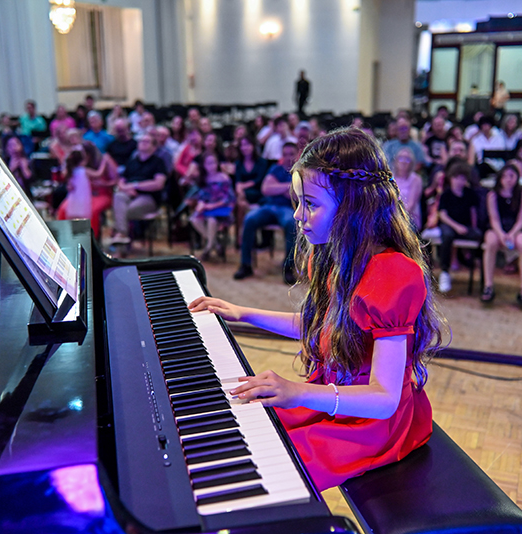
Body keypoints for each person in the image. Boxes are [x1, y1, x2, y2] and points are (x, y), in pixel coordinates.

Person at [188, 127, 445, 491]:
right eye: (298, 202)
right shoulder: (334, 256)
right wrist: (242, 313)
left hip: (370, 423)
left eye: (310, 203)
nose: (297, 215)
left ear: (353, 207)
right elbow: (321, 327)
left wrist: (297, 391)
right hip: (335, 396)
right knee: (241, 428)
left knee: (267, 471)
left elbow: (385, 399)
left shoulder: (393, 275)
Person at [234, 143, 299, 284]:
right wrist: (288, 187)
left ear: (297, 155)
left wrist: (276, 186)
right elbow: (265, 189)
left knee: (292, 224)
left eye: (291, 154)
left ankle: (288, 268)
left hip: (287, 209)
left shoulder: (300, 172)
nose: (288, 157)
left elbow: (296, 195)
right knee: (249, 219)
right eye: (285, 154)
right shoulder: (276, 168)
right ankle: (246, 265)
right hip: (268, 206)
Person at [481, 164, 522, 304]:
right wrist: (501, 234)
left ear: (517, 177)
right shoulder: (492, 195)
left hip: (516, 228)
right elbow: (494, 219)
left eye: (511, 176)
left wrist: (512, 234)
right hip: (497, 229)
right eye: (505, 176)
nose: (508, 179)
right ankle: (488, 286)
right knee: (491, 242)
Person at [109, 133, 168, 245]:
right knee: (118, 196)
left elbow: (158, 184)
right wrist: (126, 189)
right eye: (141, 141)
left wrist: (135, 185)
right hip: (129, 194)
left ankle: (120, 235)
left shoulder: (158, 162)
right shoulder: (132, 162)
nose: (143, 143)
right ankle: (122, 235)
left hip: (149, 197)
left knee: (124, 211)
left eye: (147, 141)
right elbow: (121, 181)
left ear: (154, 147)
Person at [436, 161, 482, 293]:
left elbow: (473, 214)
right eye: (456, 178)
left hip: (465, 227)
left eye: (462, 178)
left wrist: (473, 228)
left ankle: (478, 268)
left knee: (479, 235)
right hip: (450, 225)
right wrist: (456, 227)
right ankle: (445, 271)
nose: (459, 181)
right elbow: (442, 215)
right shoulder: (446, 195)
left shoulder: (470, 194)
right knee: (447, 235)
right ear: (451, 178)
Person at [190, 153, 235, 261]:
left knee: (212, 221)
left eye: (213, 162)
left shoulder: (224, 178)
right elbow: (201, 196)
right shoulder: (203, 179)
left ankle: (208, 249)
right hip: (207, 208)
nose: (211, 166)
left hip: (221, 208)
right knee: (194, 219)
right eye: (208, 163)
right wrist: (201, 204)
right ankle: (215, 244)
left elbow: (228, 198)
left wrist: (212, 205)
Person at [391, 148, 423, 230]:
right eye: (401, 158)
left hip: (409, 219)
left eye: (407, 159)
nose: (404, 162)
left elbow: (411, 205)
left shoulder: (416, 179)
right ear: (396, 161)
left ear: (411, 163)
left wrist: (395, 218)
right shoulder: (390, 178)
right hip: (390, 217)